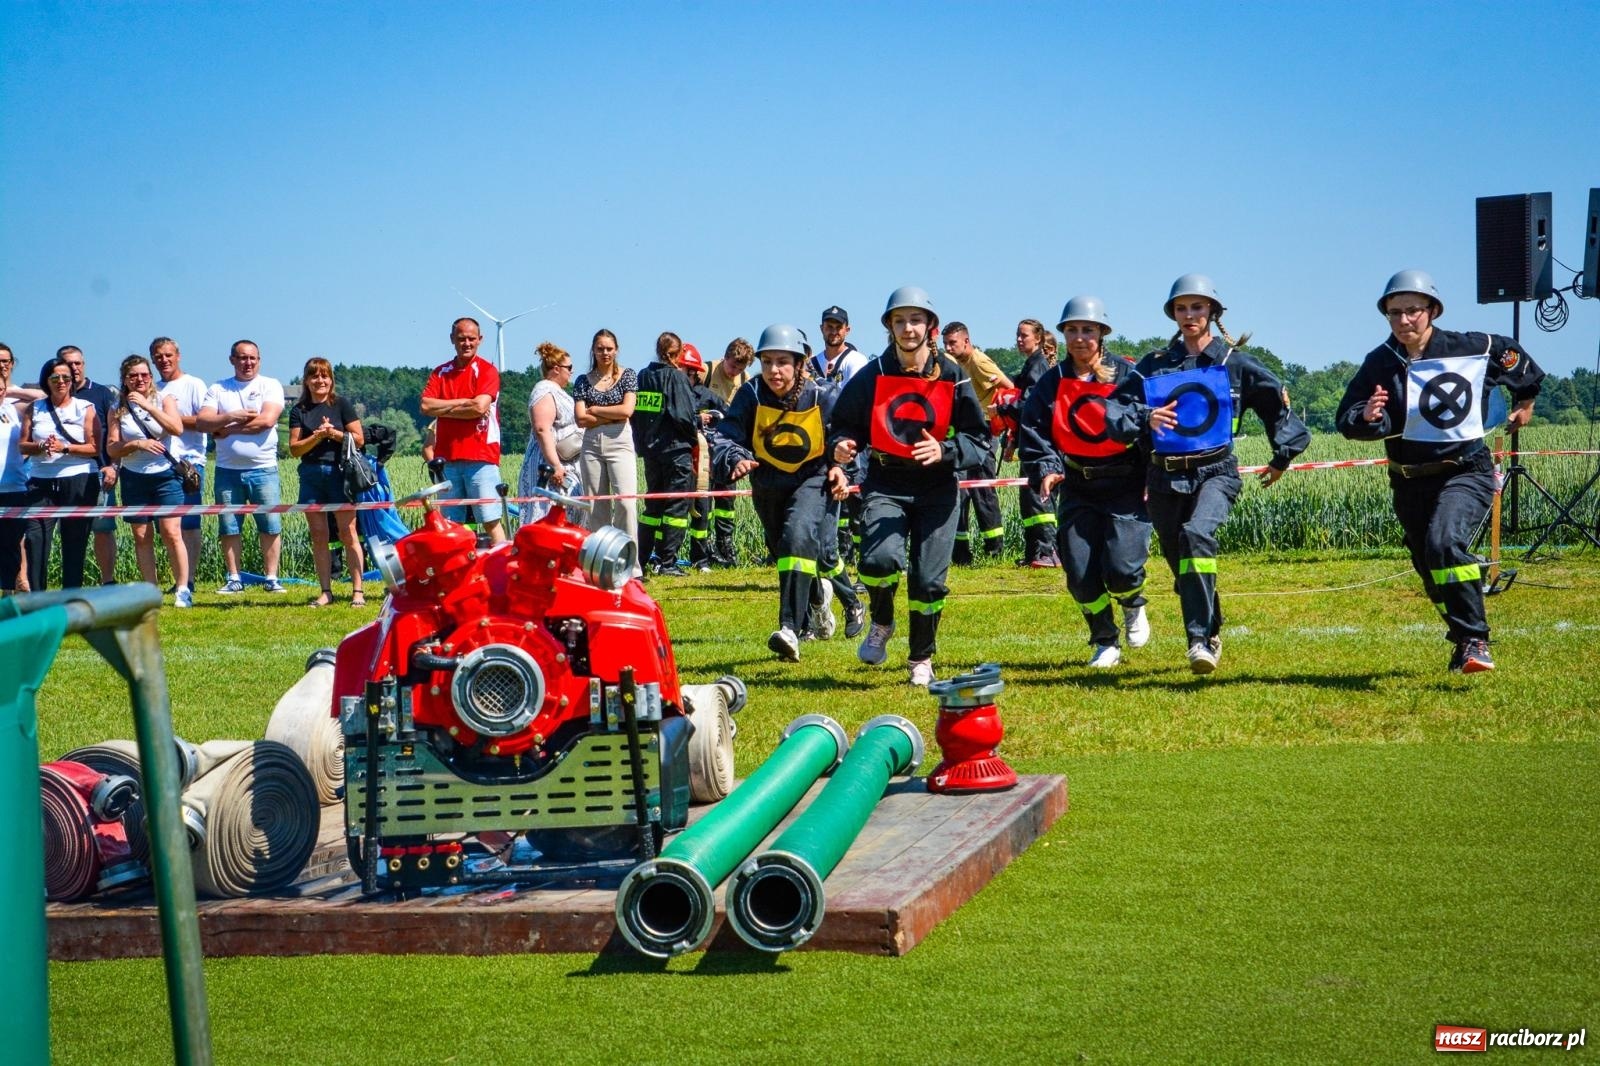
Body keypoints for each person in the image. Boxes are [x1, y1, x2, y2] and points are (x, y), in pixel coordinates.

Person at [1335, 269, 1544, 673]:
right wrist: (1367, 415)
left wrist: (1526, 400)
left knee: (1445, 542)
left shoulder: (1470, 347)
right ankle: (1462, 638)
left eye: (1413, 311)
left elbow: (1513, 358)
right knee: (1431, 567)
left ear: (1431, 310)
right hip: (1408, 478)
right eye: (1394, 313)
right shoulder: (1379, 363)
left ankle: (1475, 639)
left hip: (1464, 470)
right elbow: (1346, 419)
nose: (1404, 321)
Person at [1104, 274, 1309, 674]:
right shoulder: (1153, 365)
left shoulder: (1235, 363)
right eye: (1182, 308)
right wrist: (1146, 416)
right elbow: (1116, 412)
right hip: (1164, 477)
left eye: (1197, 307)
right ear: (1173, 314)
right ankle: (1211, 626)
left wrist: (1282, 455)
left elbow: (1274, 401)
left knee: (1197, 535)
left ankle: (1200, 639)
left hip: (1217, 472)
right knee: (1183, 567)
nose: (1189, 315)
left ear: (1212, 313)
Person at [826, 286, 989, 686]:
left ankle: (921, 657)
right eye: (899, 320)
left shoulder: (953, 376)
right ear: (889, 327)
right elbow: (844, 425)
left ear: (930, 326)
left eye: (916, 320)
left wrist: (946, 451)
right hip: (886, 482)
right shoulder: (873, 374)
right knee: (879, 562)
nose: (908, 328)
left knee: (928, 580)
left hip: (938, 489)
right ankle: (881, 620)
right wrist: (842, 446)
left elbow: (979, 439)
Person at [1019, 297, 1151, 667]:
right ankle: (1105, 639)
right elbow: (1035, 429)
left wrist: (1150, 475)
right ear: (1062, 335)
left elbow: (1147, 425)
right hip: (1078, 485)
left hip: (1124, 486)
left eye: (1088, 330)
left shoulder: (1128, 377)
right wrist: (1047, 468)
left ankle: (1132, 602)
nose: (1080, 338)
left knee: (1123, 569)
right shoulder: (1052, 382)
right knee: (1078, 573)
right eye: (1072, 330)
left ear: (1102, 334)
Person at [713, 324, 836, 660]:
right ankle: (817, 597)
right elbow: (725, 436)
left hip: (812, 479)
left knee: (798, 536)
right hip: (768, 483)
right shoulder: (750, 394)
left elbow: (844, 437)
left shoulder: (822, 395)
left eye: (782, 362)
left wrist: (842, 466)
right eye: (766, 362)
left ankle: (789, 629)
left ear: (800, 363)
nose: (772, 371)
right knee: (784, 548)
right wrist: (735, 458)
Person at [198, 339, 288, 593]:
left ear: (259, 360)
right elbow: (203, 422)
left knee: (270, 524)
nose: (247, 363)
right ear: (232, 360)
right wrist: (230, 417)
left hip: (264, 468)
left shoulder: (270, 385)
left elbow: (267, 421)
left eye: (252, 358)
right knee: (229, 526)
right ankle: (234, 578)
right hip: (227, 470)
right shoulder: (218, 388)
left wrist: (225, 428)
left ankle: (271, 578)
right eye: (242, 358)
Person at [105, 354, 192, 607]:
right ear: (125, 379)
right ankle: (150, 592)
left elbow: (177, 428)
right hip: (134, 478)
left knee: (172, 532)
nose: (139, 379)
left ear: (151, 377)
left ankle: (183, 589)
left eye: (144, 374)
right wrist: (136, 444)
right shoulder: (116, 408)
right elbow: (112, 448)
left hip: (166, 475)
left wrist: (149, 406)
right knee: (142, 536)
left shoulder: (164, 399)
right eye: (133, 376)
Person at [287, 357, 366, 607]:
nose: (320, 380)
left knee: (348, 532)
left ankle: (358, 591)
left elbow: (359, 439)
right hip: (311, 476)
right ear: (306, 381)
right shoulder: (299, 410)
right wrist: (318, 437)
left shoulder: (341, 404)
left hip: (340, 474)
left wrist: (333, 434)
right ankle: (326, 591)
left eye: (324, 376)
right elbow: (295, 449)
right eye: (314, 376)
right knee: (318, 535)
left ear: (331, 380)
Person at [420, 318, 506, 544]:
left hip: (481, 458)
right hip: (446, 459)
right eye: (461, 339)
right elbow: (426, 406)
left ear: (480, 340)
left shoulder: (487, 371)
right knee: (450, 525)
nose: (466, 343)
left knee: (490, 520)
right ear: (452, 340)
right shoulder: (440, 373)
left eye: (471, 338)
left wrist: (445, 406)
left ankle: (501, 569)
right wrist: (465, 404)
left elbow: (479, 407)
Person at [19, 355, 101, 589]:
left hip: (78, 478)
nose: (61, 381)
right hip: (41, 480)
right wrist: (41, 446)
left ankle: (70, 596)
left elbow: (94, 447)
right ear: (47, 380)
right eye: (56, 377)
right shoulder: (35, 409)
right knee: (36, 538)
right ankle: (38, 597)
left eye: (66, 377)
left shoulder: (85, 408)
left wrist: (65, 447)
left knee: (74, 540)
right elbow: (23, 445)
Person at [943, 321, 1012, 564]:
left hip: (984, 431)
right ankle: (961, 553)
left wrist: (997, 411)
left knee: (983, 490)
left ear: (966, 341)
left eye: (953, 343)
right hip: (965, 432)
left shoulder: (979, 361)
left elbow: (1009, 388)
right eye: (946, 344)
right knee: (960, 492)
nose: (949, 349)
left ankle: (994, 550)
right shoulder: (957, 365)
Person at [631, 331, 699, 576]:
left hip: (651, 452)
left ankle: (642, 557)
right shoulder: (675, 377)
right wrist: (694, 435)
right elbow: (684, 416)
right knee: (676, 507)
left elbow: (637, 415)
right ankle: (668, 562)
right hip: (675, 450)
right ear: (676, 354)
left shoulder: (643, 376)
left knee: (653, 506)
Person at [573, 329, 640, 565]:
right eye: (600, 348)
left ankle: (630, 564)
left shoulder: (628, 375)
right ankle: (602, 562)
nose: (605, 353)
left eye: (609, 348)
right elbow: (580, 419)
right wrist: (611, 414)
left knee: (625, 502)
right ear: (593, 350)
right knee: (595, 506)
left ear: (616, 350)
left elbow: (626, 411)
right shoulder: (582, 380)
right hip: (591, 443)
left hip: (619, 441)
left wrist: (596, 410)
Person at [56, 347, 120, 584]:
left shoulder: (102, 393)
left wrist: (114, 466)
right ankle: (70, 582)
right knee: (67, 532)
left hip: (101, 473)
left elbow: (115, 431)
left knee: (103, 528)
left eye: (78, 363)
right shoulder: (52, 394)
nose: (74, 368)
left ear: (84, 364)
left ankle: (108, 581)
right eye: (68, 364)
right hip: (63, 474)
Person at [151, 337, 209, 593]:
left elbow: (205, 420)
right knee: (166, 528)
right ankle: (178, 579)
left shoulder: (193, 384)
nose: (163, 360)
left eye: (168, 355)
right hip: (159, 464)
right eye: (158, 356)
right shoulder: (152, 389)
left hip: (189, 464)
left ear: (178, 356)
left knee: (189, 524)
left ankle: (189, 580)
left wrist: (171, 418)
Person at [516, 341, 583, 526]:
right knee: (545, 518)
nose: (571, 371)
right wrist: (555, 466)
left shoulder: (557, 391)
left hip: (566, 464)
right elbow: (542, 429)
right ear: (556, 368)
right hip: (548, 468)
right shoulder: (544, 390)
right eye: (569, 367)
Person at [1011, 320, 1060, 568]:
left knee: (1040, 499)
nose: (1019, 340)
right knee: (1029, 502)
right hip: (1029, 445)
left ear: (1038, 339)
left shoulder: (1038, 366)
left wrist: (1002, 407)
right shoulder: (1031, 364)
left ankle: (1049, 552)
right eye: (1017, 335)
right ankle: (1034, 552)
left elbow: (1029, 406)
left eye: (1024, 335)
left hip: (1041, 446)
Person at [703, 338, 755, 564]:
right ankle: (703, 549)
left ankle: (726, 545)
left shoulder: (746, 382)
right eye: (733, 366)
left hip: (728, 446)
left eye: (741, 369)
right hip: (704, 444)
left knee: (726, 499)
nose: (735, 372)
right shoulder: (706, 371)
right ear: (725, 357)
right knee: (703, 499)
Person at [679, 343, 728, 570]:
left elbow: (728, 416)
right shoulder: (672, 394)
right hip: (677, 458)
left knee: (702, 509)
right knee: (674, 509)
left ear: (694, 372)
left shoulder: (706, 396)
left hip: (701, 461)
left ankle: (700, 559)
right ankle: (663, 558)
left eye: (685, 372)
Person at [0, 343, 44, 595]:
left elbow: (41, 397)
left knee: (12, 543)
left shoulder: (12, 408)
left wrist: (10, 390)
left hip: (13, 486)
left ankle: (8, 591)